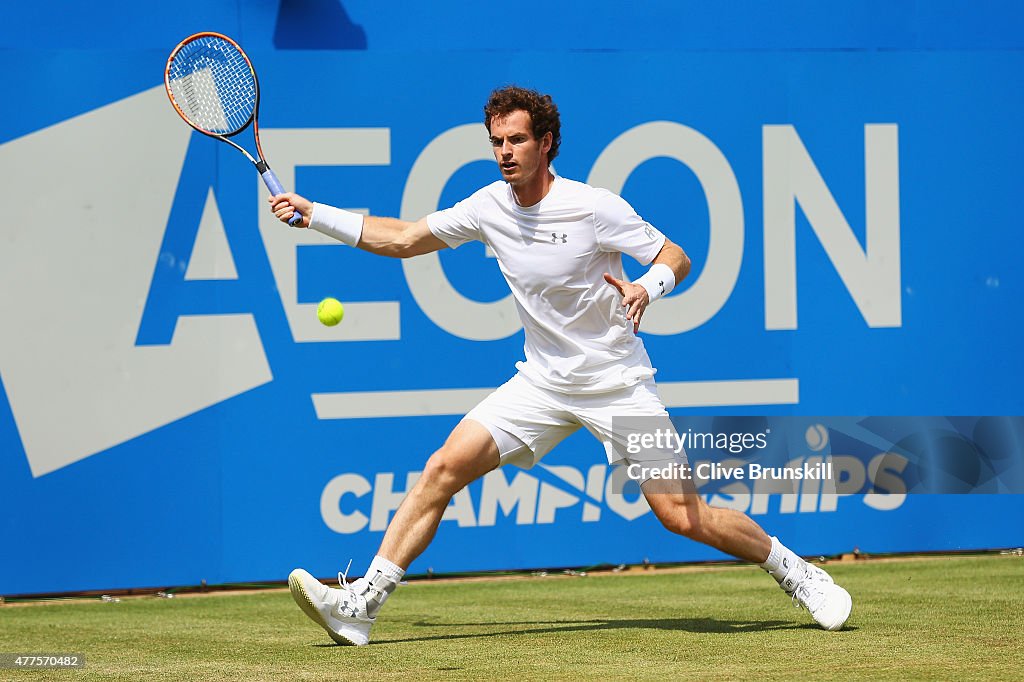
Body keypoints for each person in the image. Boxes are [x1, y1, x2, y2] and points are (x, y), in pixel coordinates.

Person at [270, 86, 852, 646]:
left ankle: (797, 571)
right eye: (496, 141)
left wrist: (647, 287)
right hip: (542, 383)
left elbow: (676, 254)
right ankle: (360, 606)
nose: (504, 152)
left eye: (517, 140)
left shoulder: (593, 206)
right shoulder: (487, 206)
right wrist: (316, 212)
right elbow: (402, 238)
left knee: (681, 515)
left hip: (617, 384)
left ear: (546, 143)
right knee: (443, 466)